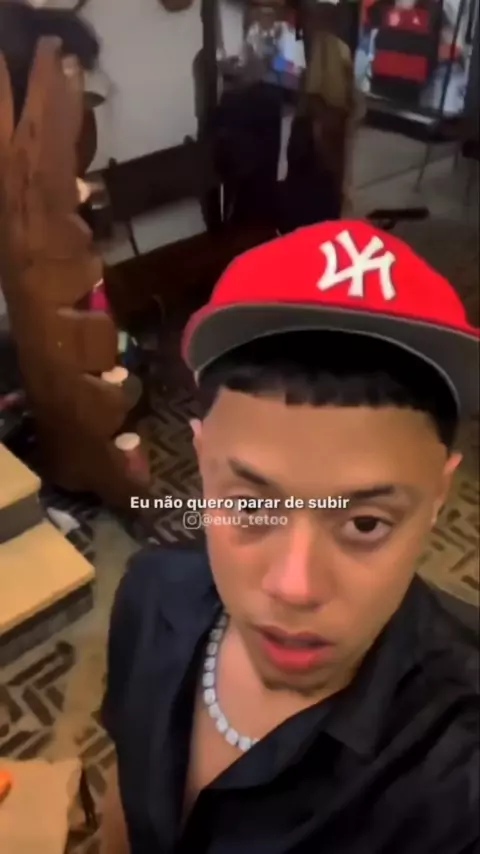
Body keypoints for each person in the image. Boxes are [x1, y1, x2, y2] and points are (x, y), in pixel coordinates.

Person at [100, 221, 479, 854]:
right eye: (251, 506)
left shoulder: (457, 781)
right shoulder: (149, 592)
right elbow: (125, 792)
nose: (294, 587)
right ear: (202, 464)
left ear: (439, 498)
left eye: (364, 523)